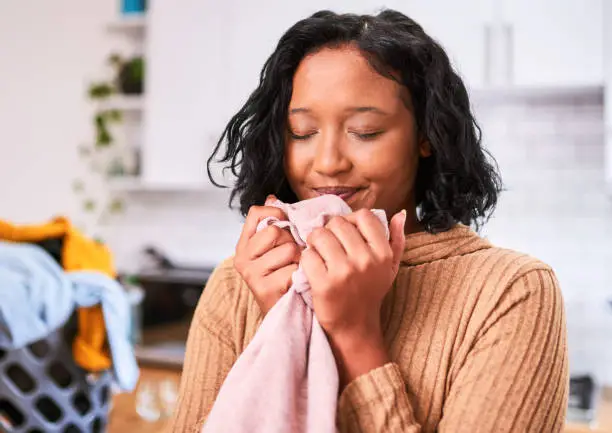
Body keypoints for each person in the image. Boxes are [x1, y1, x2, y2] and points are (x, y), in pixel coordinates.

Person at [170, 9, 568, 433]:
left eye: (364, 131)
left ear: (426, 136)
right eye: (302, 132)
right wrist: (286, 323)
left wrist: (353, 334)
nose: (327, 163)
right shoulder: (237, 284)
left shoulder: (512, 292)